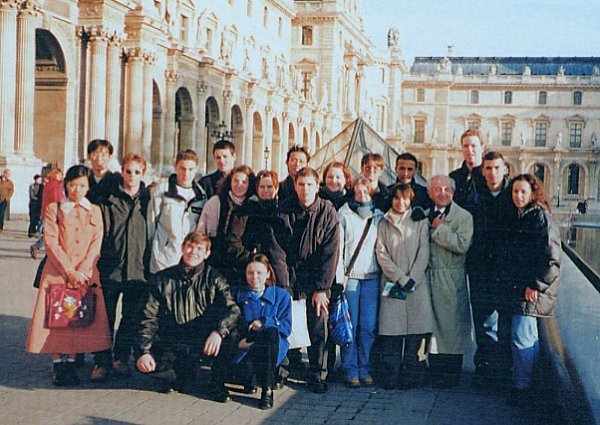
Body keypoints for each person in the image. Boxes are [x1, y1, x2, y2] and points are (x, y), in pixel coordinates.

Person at [26, 165, 111, 386]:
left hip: (85, 273)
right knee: (54, 319)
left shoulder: (94, 211)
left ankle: (71, 363)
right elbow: (51, 241)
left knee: (77, 318)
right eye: (73, 185)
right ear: (66, 185)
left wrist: (82, 270)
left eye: (82, 185)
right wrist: (69, 270)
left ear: (88, 187)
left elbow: (96, 243)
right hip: (57, 272)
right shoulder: (55, 209)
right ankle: (58, 365)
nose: (77, 189)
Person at [136, 231, 240, 402]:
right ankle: (178, 375)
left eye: (199, 248)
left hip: (204, 340)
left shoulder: (215, 278)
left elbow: (232, 310)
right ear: (182, 248)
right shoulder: (162, 279)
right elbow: (147, 318)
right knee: (146, 364)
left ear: (207, 253)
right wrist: (144, 351)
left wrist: (218, 332)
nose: (193, 252)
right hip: (174, 341)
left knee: (231, 335)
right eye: (190, 247)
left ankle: (216, 382)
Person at [274, 167, 340, 393]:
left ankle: (317, 373)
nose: (305, 189)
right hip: (289, 276)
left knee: (318, 325)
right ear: (295, 186)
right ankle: (281, 370)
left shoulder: (327, 212)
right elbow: (277, 251)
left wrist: (322, 288)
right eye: (301, 184)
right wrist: (284, 285)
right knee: (285, 324)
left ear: (317, 186)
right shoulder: (283, 210)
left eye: (309, 185)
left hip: (316, 279)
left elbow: (330, 253)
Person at [91, 154, 151, 382]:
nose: (132, 176)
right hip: (111, 267)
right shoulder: (110, 199)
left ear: (142, 173)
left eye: (137, 172)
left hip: (137, 270)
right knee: (104, 316)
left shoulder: (147, 200)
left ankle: (121, 358)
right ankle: (101, 361)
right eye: (128, 171)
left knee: (130, 317)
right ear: (122, 172)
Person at [506, 174, 561, 398]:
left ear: (532, 194)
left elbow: (552, 259)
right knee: (527, 338)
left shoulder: (539, 217)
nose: (518, 196)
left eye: (523, 192)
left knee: (522, 338)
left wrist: (535, 286)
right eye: (515, 192)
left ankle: (522, 389)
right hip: (526, 288)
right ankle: (526, 385)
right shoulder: (527, 215)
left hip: (531, 292)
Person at [376, 184, 432, 390]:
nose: (401, 203)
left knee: (415, 333)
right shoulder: (383, 223)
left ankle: (411, 377)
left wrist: (413, 278)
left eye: (405, 199)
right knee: (392, 333)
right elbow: (381, 254)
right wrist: (400, 277)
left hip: (416, 286)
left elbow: (424, 251)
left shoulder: (419, 221)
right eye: (397, 199)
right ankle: (391, 376)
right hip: (392, 284)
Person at [469, 152, 513, 387]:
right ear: (483, 170)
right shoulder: (475, 194)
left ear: (505, 169)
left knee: (504, 323)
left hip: (505, 271)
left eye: (497, 168)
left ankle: (501, 371)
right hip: (480, 270)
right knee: (482, 322)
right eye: (488, 168)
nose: (492, 172)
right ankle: (484, 369)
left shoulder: (513, 193)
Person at [427, 175, 474, 388]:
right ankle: (435, 370)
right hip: (430, 276)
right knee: (435, 327)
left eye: (446, 189)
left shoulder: (464, 217)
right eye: (437, 189)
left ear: (453, 193)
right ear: (430, 193)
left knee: (452, 327)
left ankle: (451, 373)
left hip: (451, 277)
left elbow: (462, 244)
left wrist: (440, 229)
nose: (442, 193)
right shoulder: (425, 215)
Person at [336, 177, 383, 388]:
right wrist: (339, 278)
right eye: (358, 191)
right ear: (353, 192)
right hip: (351, 277)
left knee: (368, 327)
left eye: (366, 191)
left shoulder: (379, 216)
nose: (362, 194)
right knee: (350, 326)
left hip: (372, 277)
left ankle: (365, 366)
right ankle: (350, 368)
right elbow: (339, 250)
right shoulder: (344, 214)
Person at [236, 254, 292, 410]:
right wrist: (239, 342)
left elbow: (286, 328)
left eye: (259, 273)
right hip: (246, 347)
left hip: (270, 348)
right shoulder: (238, 295)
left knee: (270, 333)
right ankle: (250, 378)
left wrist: (265, 321)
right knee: (247, 374)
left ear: (268, 273)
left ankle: (267, 390)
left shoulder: (281, 296)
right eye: (250, 273)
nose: (255, 277)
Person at [147, 149, 207, 274]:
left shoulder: (200, 196)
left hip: (188, 258)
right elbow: (151, 223)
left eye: (190, 169)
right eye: (182, 168)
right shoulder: (163, 191)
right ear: (176, 167)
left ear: (196, 169)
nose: (186, 174)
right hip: (164, 257)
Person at [226, 170, 288, 288]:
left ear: (276, 188)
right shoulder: (245, 211)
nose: (265, 190)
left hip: (277, 272)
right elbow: (233, 241)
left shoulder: (283, 212)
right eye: (262, 187)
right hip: (250, 270)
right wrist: (252, 259)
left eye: (269, 187)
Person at [198, 165, 255, 290]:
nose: (239, 185)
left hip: (242, 267)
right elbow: (201, 234)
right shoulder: (216, 202)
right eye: (236, 180)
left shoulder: (253, 207)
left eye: (244, 182)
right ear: (229, 182)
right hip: (216, 264)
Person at [449, 129, 487, 214]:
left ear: (482, 147)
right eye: (466, 146)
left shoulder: (489, 176)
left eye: (473, 145)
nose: (469, 150)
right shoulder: (454, 177)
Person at [30, 168, 64, 259]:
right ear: (55, 175)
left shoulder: (49, 184)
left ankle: (37, 246)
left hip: (47, 211)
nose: (62, 176)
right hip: (54, 212)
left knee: (52, 233)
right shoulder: (55, 185)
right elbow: (57, 199)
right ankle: (38, 246)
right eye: (60, 174)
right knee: (55, 233)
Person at [87, 139, 119, 204]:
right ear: (89, 157)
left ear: (110, 157)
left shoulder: (116, 180)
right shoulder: (84, 178)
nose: (99, 158)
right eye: (95, 154)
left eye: (103, 155)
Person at [0, 169, 15, 233]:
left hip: (4, 200)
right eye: (8, 174)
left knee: (1, 213)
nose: (8, 175)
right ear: (4, 173)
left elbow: (11, 190)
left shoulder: (9, 182)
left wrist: (7, 197)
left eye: (9, 174)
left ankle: (0, 227)